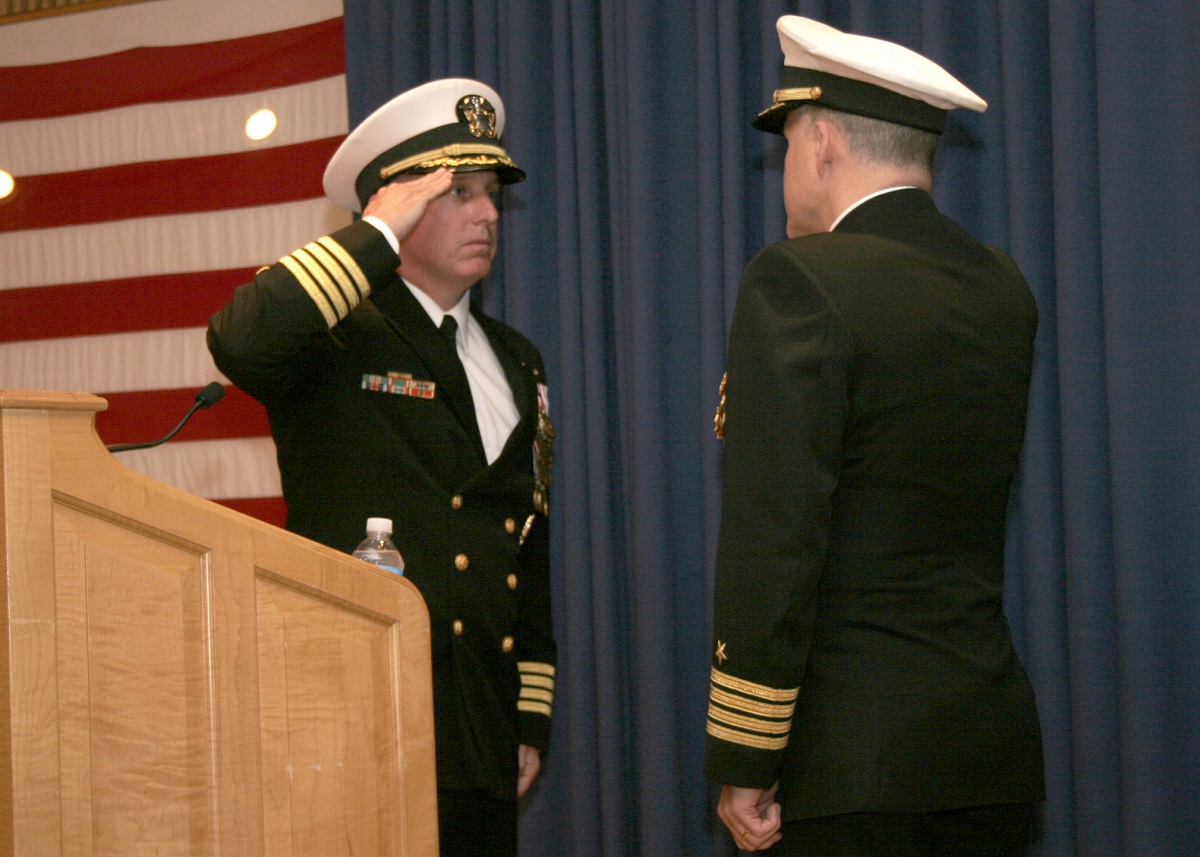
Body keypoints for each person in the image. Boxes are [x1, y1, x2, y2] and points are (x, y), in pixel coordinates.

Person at [705, 16, 1044, 856]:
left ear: (820, 141)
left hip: (850, 761)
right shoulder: (1002, 286)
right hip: (985, 746)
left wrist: (746, 751)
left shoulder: (800, 279)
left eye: (785, 145)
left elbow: (775, 539)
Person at [208, 78, 556, 857]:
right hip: (355, 717)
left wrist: (528, 713)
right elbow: (240, 339)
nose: (489, 214)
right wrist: (372, 239)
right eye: (458, 192)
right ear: (394, 207)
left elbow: (522, 542)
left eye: (492, 192)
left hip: (481, 725)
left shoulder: (515, 356)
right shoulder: (333, 336)